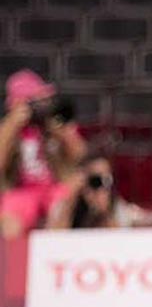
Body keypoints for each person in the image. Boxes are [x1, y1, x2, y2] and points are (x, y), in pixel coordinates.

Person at [0, 69, 87, 238]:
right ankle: (12, 261)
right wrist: (11, 126)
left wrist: (62, 132)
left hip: (54, 187)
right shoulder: (8, 130)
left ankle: (55, 255)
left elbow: (79, 153)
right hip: (22, 191)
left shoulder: (52, 123)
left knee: (62, 204)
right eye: (35, 101)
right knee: (10, 221)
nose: (41, 105)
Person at [46, 154, 144, 229]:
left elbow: (118, 241)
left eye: (106, 179)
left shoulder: (117, 206)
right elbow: (54, 237)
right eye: (95, 180)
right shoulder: (66, 204)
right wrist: (71, 201)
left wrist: (104, 213)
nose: (101, 186)